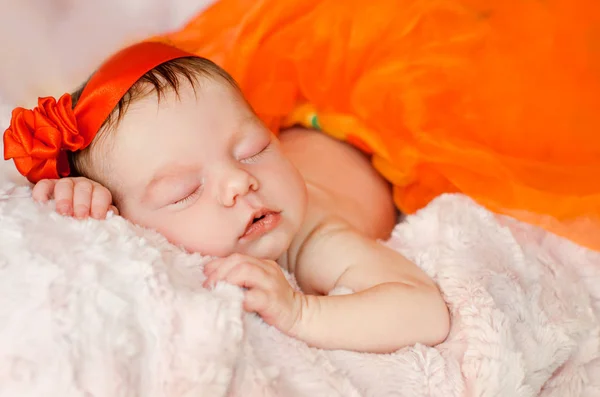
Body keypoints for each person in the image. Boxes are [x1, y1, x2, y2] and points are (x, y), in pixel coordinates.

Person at [3, 42, 450, 354]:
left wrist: (302, 312)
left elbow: (425, 312)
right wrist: (81, 195)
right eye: (185, 191)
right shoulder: (131, 207)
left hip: (377, 130)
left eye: (254, 150)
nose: (239, 182)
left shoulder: (314, 234)